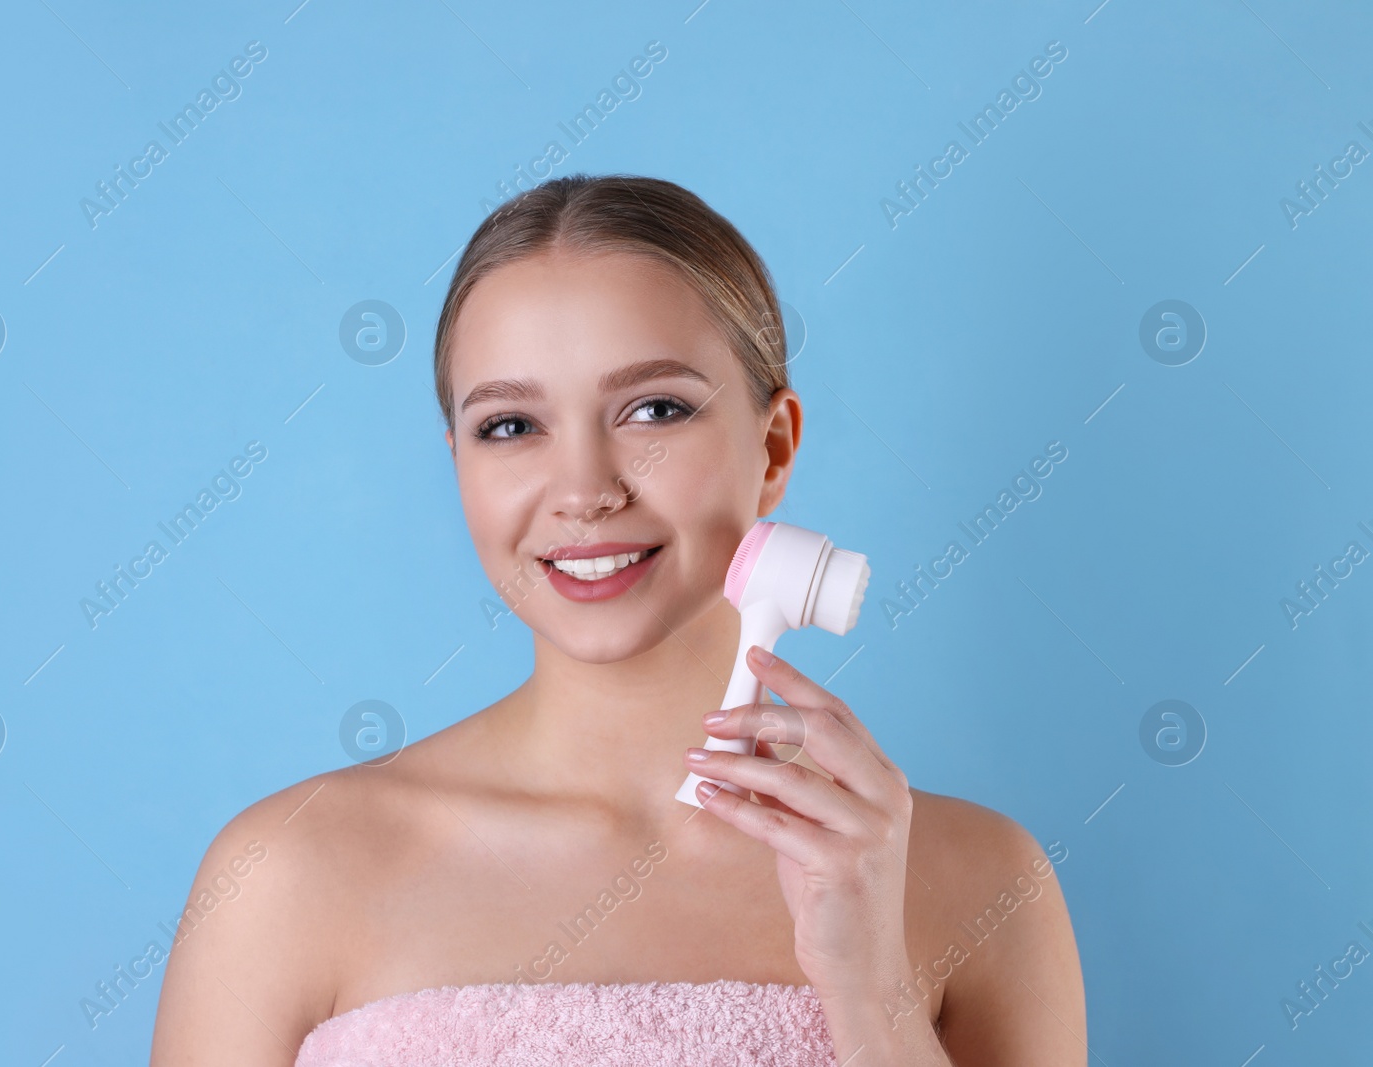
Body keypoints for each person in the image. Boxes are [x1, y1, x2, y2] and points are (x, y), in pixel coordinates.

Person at [149, 174, 1086, 1066]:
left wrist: (871, 994)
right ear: (460, 464)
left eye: (653, 409)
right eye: (511, 425)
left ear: (774, 446)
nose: (585, 491)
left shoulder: (981, 880)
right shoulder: (284, 874)